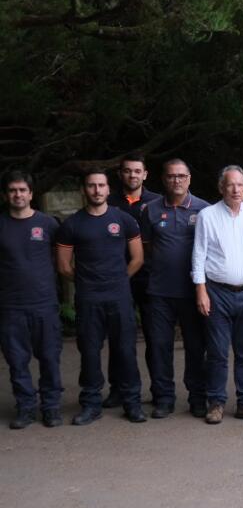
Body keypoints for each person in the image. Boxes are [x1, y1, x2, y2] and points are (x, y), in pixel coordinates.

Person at [55, 170, 145, 424]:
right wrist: (86, 280)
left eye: (101, 185)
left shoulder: (124, 220)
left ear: (108, 189)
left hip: (119, 297)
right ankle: (91, 403)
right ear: (84, 190)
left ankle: (132, 402)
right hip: (88, 299)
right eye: (91, 186)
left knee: (126, 351)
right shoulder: (72, 225)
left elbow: (137, 259)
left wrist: (117, 280)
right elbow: (63, 266)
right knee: (90, 352)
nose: (96, 190)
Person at [192, 166, 243, 425]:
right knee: (217, 352)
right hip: (217, 293)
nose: (235, 189)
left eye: (240, 185)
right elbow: (199, 254)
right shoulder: (207, 215)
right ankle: (216, 402)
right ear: (221, 188)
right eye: (230, 185)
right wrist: (201, 290)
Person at [139, 159, 209, 419]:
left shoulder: (204, 209)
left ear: (189, 178)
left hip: (193, 292)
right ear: (163, 179)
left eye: (181, 176)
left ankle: (198, 398)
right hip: (159, 292)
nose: (176, 180)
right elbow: (146, 248)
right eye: (171, 176)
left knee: (195, 347)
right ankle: (164, 397)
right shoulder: (151, 210)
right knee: (159, 346)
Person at [0, 170, 63, 428]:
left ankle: (51, 407)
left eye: (22, 190)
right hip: (10, 305)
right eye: (13, 190)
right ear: (5, 195)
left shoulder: (48, 224)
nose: (18, 194)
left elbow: (62, 260)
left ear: (31, 194)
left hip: (44, 303)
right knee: (17, 360)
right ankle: (25, 407)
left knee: (49, 357)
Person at [102, 151, 162, 408]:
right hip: (118, 279)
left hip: (150, 279)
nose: (133, 175)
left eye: (137, 171)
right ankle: (118, 389)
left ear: (145, 174)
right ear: (120, 174)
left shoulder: (158, 202)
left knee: (156, 338)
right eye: (128, 170)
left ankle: (159, 390)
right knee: (118, 338)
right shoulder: (109, 202)